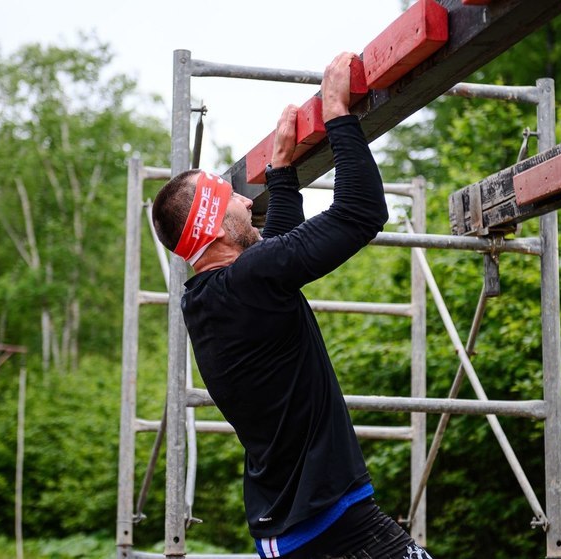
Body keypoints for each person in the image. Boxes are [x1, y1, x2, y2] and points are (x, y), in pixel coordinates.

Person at [152, 52, 432, 559]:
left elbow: (270, 257)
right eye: (229, 197)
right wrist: (339, 114)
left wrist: (283, 175)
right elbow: (361, 212)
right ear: (213, 226)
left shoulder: (205, 300)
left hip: (293, 529)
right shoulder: (249, 282)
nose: (243, 199)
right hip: (335, 529)